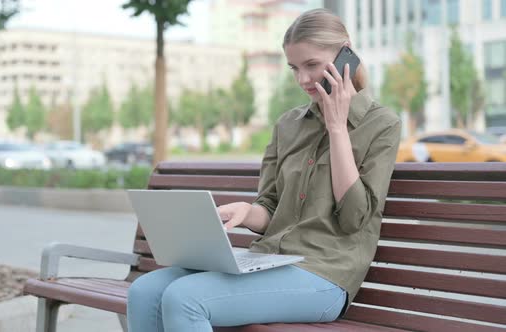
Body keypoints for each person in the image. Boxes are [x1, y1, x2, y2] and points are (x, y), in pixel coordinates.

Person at [127, 8, 401, 331]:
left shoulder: (381, 124)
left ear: (346, 53)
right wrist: (247, 211)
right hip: (269, 261)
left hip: (326, 275)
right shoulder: (288, 125)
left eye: (311, 65)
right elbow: (270, 208)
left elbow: (354, 217)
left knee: (185, 300)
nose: (302, 79)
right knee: (144, 291)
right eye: (294, 68)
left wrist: (337, 128)